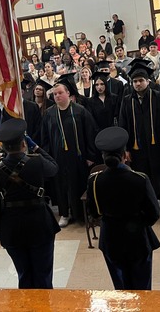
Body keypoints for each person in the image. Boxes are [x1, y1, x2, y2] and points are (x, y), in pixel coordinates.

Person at [0, 119, 60, 288]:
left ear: (3, 147)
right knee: (43, 275)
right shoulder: (37, 161)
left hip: (12, 228)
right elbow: (54, 168)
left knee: (24, 275)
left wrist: (0, 233)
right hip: (39, 224)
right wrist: (37, 148)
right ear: (24, 143)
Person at [86, 127, 160, 290]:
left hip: (111, 239)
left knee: (121, 288)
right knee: (142, 288)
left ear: (103, 156)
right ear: (125, 155)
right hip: (138, 240)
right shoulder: (140, 179)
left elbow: (94, 212)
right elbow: (153, 213)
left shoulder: (94, 181)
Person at [119, 64, 160, 226]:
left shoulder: (159, 98)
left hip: (158, 148)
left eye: (141, 81)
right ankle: (147, 211)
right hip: (137, 150)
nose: (137, 84)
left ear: (148, 81)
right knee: (141, 181)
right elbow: (124, 126)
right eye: (135, 81)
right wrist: (126, 149)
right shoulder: (127, 101)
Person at [41, 82, 99, 227]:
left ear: (68, 94)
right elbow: (45, 138)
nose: (57, 96)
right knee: (61, 186)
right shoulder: (49, 113)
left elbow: (90, 134)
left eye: (60, 93)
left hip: (78, 157)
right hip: (58, 158)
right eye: (55, 94)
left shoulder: (80, 111)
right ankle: (65, 214)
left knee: (79, 184)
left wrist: (91, 156)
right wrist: (48, 157)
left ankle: (82, 214)